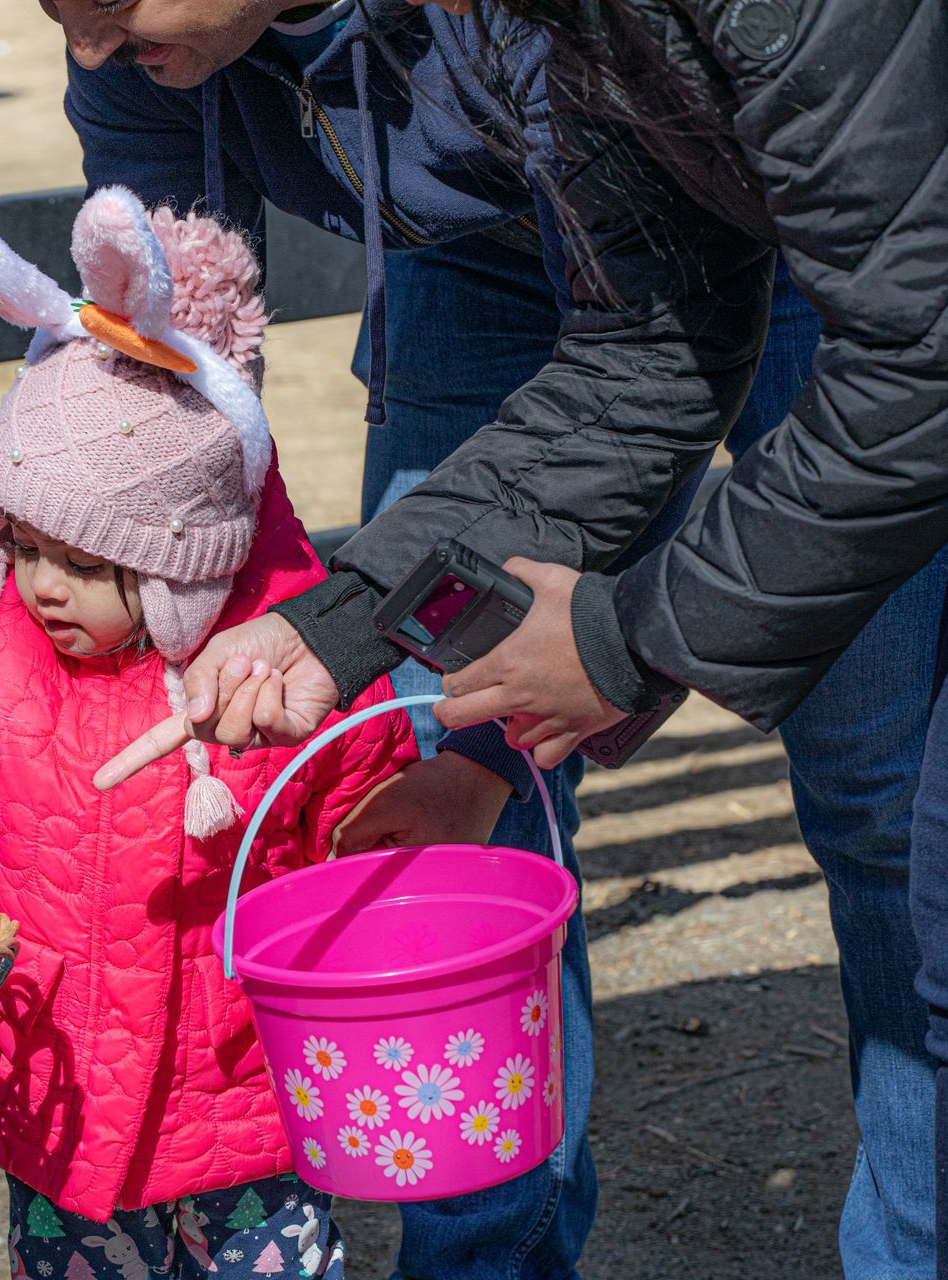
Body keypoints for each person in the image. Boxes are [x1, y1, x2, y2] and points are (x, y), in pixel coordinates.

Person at [82, 0, 943, 1272]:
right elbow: (646, 348)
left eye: (110, 0)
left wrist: (630, 637)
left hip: (854, 270)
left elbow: (917, 350)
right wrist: (333, 626)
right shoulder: (549, 34)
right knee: (449, 767)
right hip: (642, 271)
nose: (89, 41)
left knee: (891, 796)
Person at [0, 180, 416, 1277]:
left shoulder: (280, 667)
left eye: (88, 565)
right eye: (26, 541)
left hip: (237, 1087)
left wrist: (392, 965)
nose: (43, 584)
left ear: (188, 564)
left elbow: (374, 813)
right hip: (57, 1084)